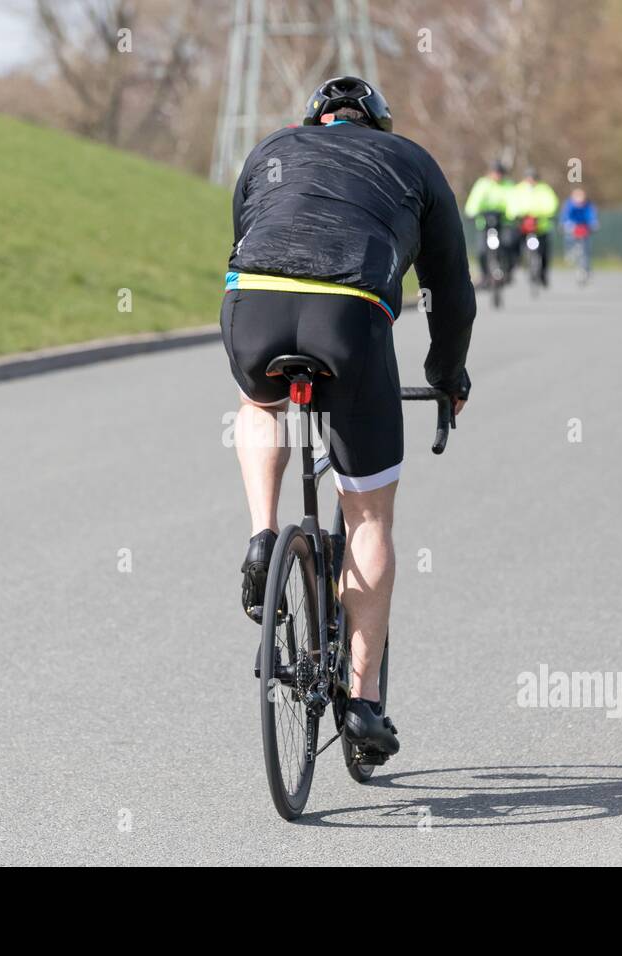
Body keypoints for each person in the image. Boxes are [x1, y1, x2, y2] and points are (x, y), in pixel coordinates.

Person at [221, 76, 476, 757]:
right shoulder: (414, 163)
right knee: (368, 514)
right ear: (379, 126)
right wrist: (446, 378)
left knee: (259, 402)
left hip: (255, 302)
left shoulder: (274, 146)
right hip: (349, 313)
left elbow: (251, 232)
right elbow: (451, 293)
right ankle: (362, 704)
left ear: (315, 120)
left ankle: (262, 534)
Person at [506, 167, 560, 286]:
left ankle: (543, 273)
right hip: (522, 225)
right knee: (512, 245)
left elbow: (551, 204)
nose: (531, 180)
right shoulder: (518, 190)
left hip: (540, 225)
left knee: (544, 251)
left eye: (533, 178)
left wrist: (542, 215)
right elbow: (511, 205)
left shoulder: (544, 189)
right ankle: (511, 268)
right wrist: (516, 215)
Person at [463, 159, 512, 289]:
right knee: (482, 251)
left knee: (507, 246)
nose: (498, 176)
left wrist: (512, 214)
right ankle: (484, 275)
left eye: (500, 173)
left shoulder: (508, 185)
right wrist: (471, 212)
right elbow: (475, 200)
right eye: (496, 173)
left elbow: (513, 201)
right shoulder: (482, 185)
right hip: (484, 223)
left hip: (502, 222)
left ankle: (506, 272)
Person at [561, 188, 599, 279]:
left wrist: (593, 223)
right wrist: (566, 224)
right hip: (573, 227)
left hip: (584, 227)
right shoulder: (569, 205)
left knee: (586, 249)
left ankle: (587, 268)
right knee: (569, 238)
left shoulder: (588, 205)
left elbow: (592, 216)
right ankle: (570, 253)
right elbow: (565, 216)